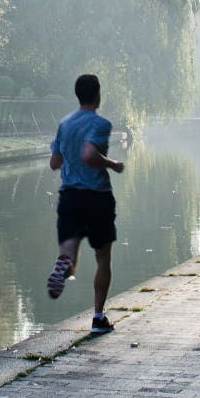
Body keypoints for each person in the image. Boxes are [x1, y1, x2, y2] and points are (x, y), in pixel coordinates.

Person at [46, 73, 125, 335]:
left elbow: (54, 163)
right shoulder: (101, 123)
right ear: (97, 94)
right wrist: (112, 164)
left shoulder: (64, 124)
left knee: (68, 256)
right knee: (103, 258)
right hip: (97, 197)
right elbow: (90, 154)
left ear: (77, 94)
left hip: (69, 197)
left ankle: (63, 265)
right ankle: (98, 318)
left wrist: (71, 158)